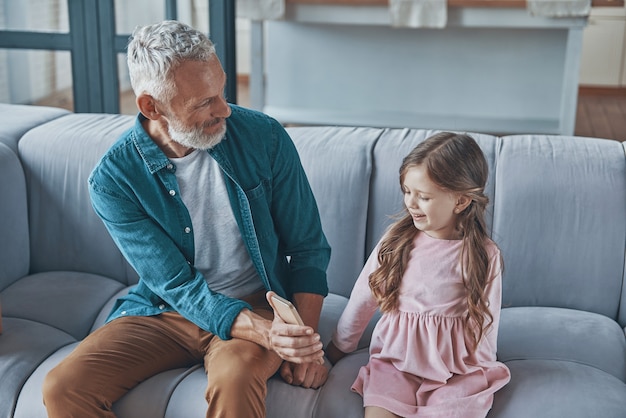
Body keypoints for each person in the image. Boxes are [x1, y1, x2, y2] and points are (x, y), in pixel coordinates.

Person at [42, 20, 331, 418]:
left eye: (222, 90)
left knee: (235, 377)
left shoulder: (263, 137)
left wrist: (304, 341)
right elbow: (174, 283)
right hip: (166, 310)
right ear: (151, 106)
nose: (224, 109)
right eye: (203, 102)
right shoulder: (113, 181)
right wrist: (267, 335)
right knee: (63, 388)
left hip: (256, 299)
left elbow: (307, 247)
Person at [326, 132, 511, 418]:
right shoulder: (397, 241)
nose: (411, 203)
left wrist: (482, 366)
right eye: (407, 191)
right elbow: (364, 297)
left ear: (461, 201)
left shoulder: (484, 254)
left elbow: (486, 319)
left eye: (423, 197)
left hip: (455, 370)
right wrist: (339, 346)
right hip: (395, 362)